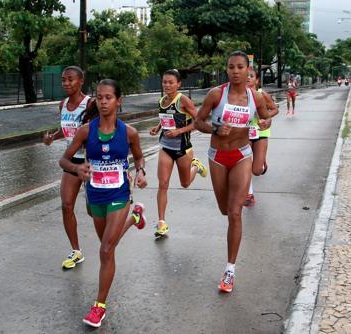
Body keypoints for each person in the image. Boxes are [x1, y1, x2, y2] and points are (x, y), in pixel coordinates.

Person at [59, 79, 148, 328]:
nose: (104, 102)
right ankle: (136, 218)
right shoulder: (86, 130)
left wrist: (140, 172)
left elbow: (139, 157)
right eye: (99, 97)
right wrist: (77, 168)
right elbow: (63, 161)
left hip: (119, 194)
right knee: (108, 244)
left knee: (106, 250)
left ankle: (99, 306)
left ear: (118, 101)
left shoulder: (128, 132)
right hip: (95, 195)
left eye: (108, 97)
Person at [194, 51, 270, 293]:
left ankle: (229, 270)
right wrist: (215, 129)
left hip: (242, 155)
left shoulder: (255, 97)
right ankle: (230, 265)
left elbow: (266, 117)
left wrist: (265, 123)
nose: (236, 71)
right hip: (217, 157)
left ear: (249, 70)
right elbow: (198, 121)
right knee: (224, 209)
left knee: (235, 212)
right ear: (226, 70)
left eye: (240, 67)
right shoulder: (216, 94)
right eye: (231, 67)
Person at [149, 69, 208, 237]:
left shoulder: (183, 100)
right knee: (163, 184)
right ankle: (161, 222)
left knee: (185, 183)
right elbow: (165, 119)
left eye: (170, 82)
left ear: (178, 84)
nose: (167, 85)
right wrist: (158, 127)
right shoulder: (161, 101)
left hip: (183, 149)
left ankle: (195, 165)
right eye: (164, 82)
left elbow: (199, 122)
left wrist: (179, 131)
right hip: (166, 147)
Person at [42, 66, 90, 269]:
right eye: (63, 80)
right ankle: (76, 251)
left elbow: (97, 130)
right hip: (72, 162)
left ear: (80, 82)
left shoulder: (91, 104)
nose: (66, 83)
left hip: (90, 163)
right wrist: (53, 137)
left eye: (70, 80)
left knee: (94, 211)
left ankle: (129, 219)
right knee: (66, 206)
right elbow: (67, 129)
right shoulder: (62, 104)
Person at [244, 66, 278, 207]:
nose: (247, 78)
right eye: (245, 75)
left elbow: (275, 109)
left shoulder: (261, 94)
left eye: (251, 76)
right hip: (244, 134)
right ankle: (248, 194)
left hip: (260, 133)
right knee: (244, 165)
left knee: (256, 170)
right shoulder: (236, 95)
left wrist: (265, 118)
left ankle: (261, 158)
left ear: (257, 80)